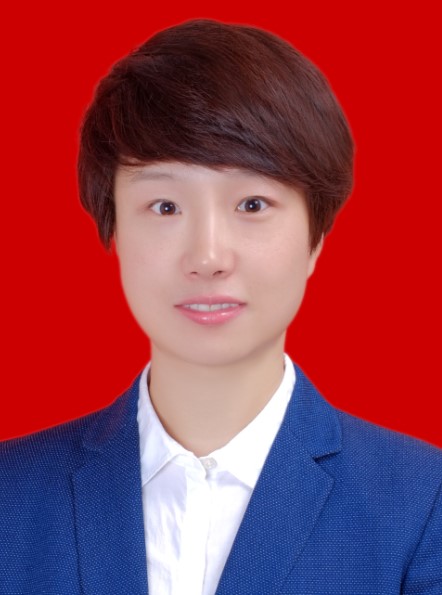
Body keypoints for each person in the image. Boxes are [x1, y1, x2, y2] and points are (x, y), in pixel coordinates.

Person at [1, 18, 441, 595]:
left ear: (316, 237)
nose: (207, 257)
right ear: (114, 231)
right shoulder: (11, 496)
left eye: (252, 203)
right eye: (165, 207)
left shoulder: (421, 504)